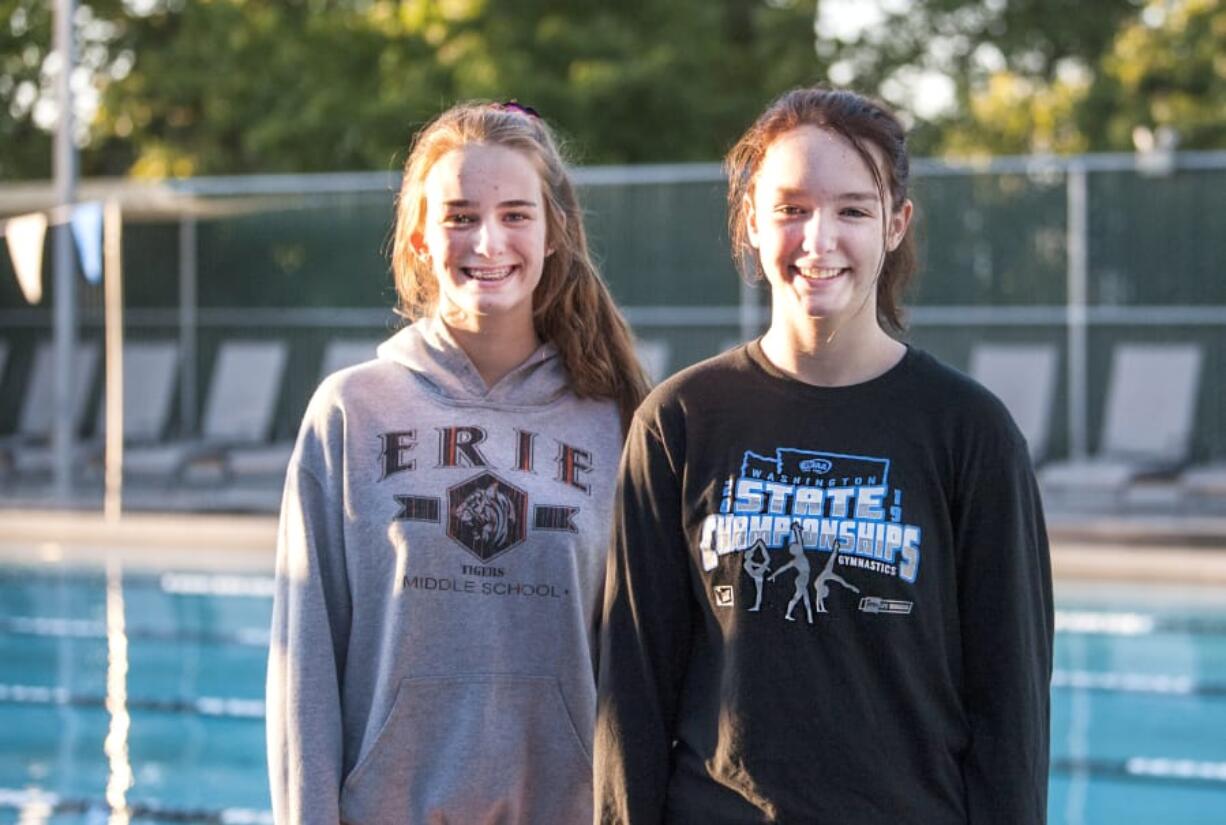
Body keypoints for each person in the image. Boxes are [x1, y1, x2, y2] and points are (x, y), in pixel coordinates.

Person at [595, 86, 1053, 824]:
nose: (819, 239)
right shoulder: (680, 423)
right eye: (792, 208)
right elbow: (633, 690)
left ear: (895, 224)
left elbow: (1012, 707)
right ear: (752, 220)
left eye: (851, 209)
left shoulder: (970, 432)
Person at [266, 100, 648, 825]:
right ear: (418, 237)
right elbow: (304, 662)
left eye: (514, 213)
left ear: (553, 231)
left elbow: (642, 670)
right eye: (461, 216)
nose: (489, 240)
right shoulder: (351, 411)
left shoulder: (616, 420)